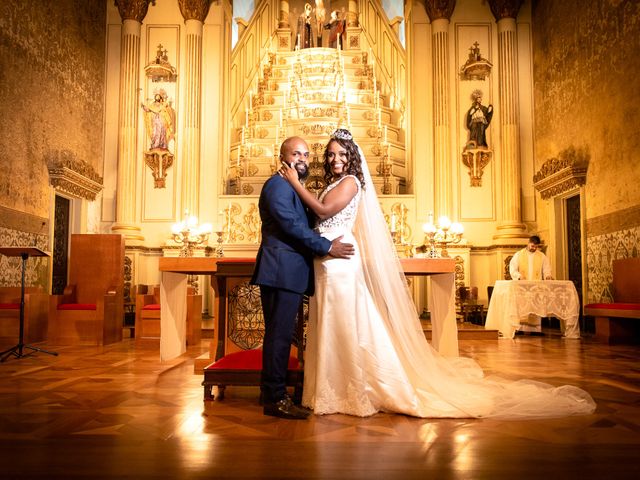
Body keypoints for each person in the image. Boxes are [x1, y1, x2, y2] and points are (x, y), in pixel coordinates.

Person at [278, 128, 595, 418]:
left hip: (339, 261)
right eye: (331, 154)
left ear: (352, 157)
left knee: (345, 322)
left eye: (342, 154)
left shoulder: (350, 182)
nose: (335, 159)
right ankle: (331, 389)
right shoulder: (335, 182)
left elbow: (322, 211)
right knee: (331, 321)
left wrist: (293, 183)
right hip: (326, 259)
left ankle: (356, 389)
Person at [251, 136, 355, 420]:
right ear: (283, 156)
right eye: (296, 154)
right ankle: (275, 398)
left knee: (281, 335)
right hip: (280, 270)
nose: (303, 159)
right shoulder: (277, 186)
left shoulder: (292, 186)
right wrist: (327, 246)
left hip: (289, 271)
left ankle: (272, 391)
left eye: (306, 155)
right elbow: (291, 225)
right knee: (279, 336)